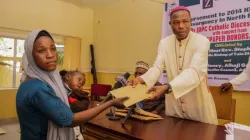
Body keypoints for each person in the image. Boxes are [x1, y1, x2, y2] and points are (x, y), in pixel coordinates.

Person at [16, 29, 128, 140]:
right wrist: (110, 103)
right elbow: (71, 120)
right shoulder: (37, 88)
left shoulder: (31, 82)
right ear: (31, 56)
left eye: (53, 49)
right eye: (41, 51)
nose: (50, 55)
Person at [131, 6, 217, 124]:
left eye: (185, 21)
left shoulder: (202, 41)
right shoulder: (164, 43)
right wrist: (141, 79)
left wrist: (167, 87)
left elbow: (193, 72)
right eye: (176, 22)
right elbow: (157, 67)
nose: (181, 26)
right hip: (174, 107)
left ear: (191, 22)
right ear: (170, 24)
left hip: (198, 107)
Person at [60, 69, 89, 140]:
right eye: (79, 80)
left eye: (82, 84)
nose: (80, 85)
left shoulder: (71, 93)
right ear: (68, 77)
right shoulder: (60, 90)